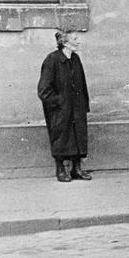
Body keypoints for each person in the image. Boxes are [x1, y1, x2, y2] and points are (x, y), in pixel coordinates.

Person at [37, 28, 91, 183]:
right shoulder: (52, 60)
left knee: (78, 135)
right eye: (75, 39)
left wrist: (84, 105)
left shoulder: (75, 59)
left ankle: (76, 169)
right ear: (65, 43)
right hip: (60, 110)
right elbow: (44, 90)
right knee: (61, 137)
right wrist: (60, 103)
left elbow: (82, 84)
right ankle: (60, 169)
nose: (78, 42)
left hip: (77, 107)